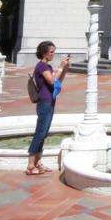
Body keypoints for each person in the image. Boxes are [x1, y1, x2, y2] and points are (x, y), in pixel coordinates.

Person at [27, 41, 69, 175]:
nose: (53, 54)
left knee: (44, 133)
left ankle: (38, 163)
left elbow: (57, 82)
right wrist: (61, 67)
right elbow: (51, 81)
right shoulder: (41, 66)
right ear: (44, 52)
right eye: (51, 52)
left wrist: (65, 69)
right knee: (40, 132)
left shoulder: (48, 67)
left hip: (50, 101)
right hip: (44, 102)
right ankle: (30, 165)